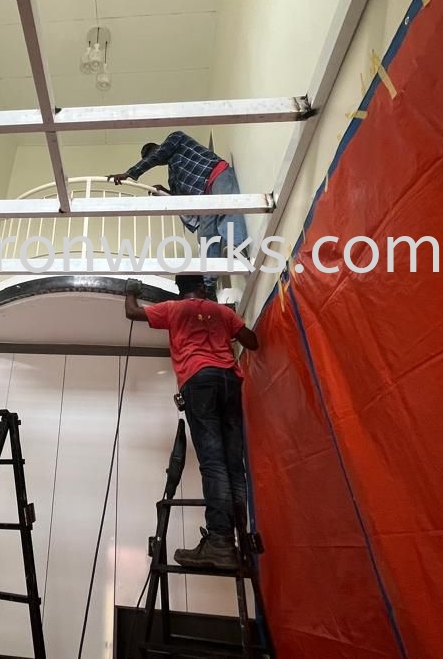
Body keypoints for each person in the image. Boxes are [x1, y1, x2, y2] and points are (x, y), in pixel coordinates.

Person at [124, 275, 259, 570]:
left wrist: (131, 291)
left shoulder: (174, 308)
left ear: (180, 289)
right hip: (229, 381)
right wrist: (228, 325)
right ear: (202, 287)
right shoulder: (221, 311)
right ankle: (236, 539)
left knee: (213, 462)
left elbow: (132, 312)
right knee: (233, 463)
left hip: (198, 380)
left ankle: (220, 542)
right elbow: (253, 342)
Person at [108, 132, 248, 298]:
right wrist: (165, 192)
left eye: (151, 156)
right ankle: (209, 286)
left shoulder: (176, 139)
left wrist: (129, 174)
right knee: (205, 238)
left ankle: (240, 248)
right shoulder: (173, 175)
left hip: (216, 175)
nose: (153, 159)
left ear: (158, 148)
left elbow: (158, 155)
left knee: (228, 210)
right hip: (203, 199)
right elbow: (179, 200)